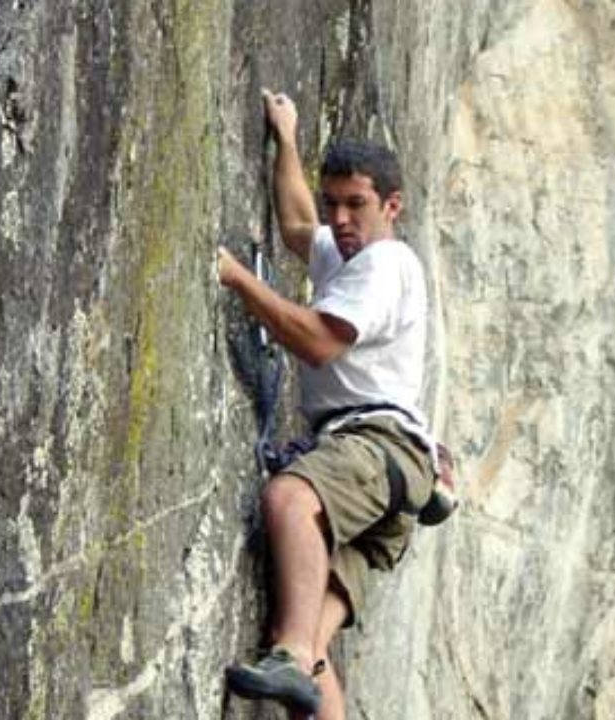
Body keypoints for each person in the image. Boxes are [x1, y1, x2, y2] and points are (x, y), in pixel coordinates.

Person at [218, 88, 437, 720]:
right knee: (316, 654)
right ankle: (299, 654)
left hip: (375, 450)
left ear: (391, 207)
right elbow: (294, 224)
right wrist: (286, 137)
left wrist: (237, 277)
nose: (340, 219)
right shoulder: (345, 255)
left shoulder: (385, 261)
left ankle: (285, 652)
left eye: (357, 205)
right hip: (388, 481)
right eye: (333, 202)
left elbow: (317, 342)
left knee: (290, 496)